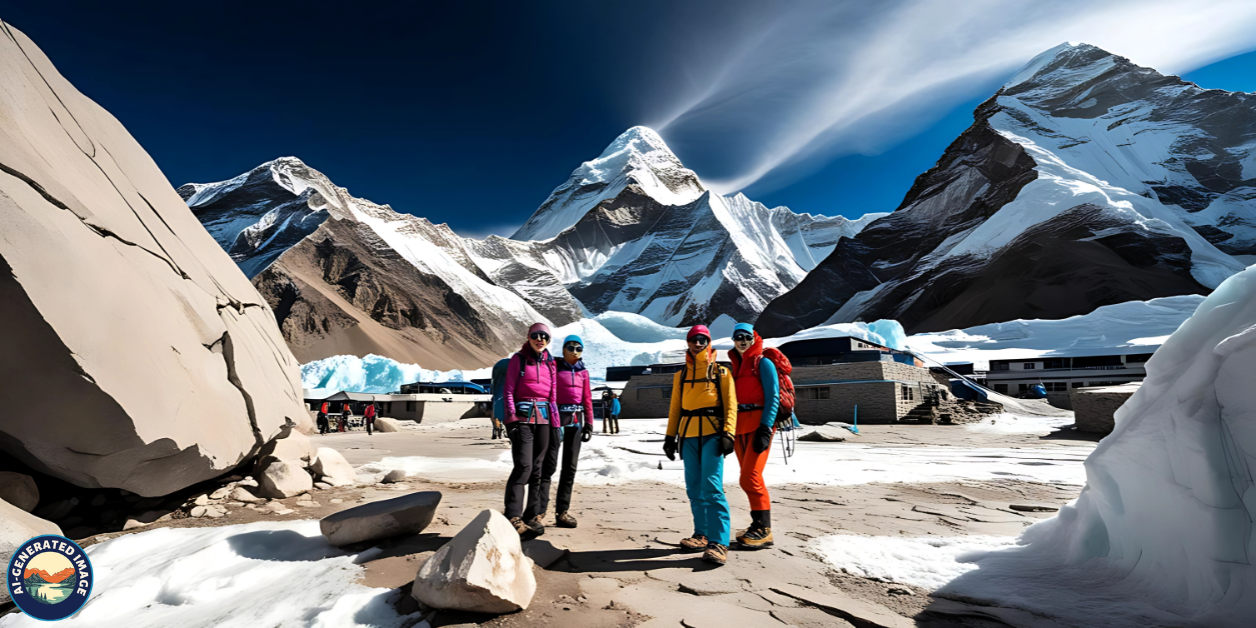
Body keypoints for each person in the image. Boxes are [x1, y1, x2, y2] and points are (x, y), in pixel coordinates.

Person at [663, 325, 738, 566]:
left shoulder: (721, 372)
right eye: (694, 339)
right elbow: (676, 408)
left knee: (712, 487)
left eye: (703, 339)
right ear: (688, 342)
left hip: (713, 434)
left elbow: (731, 404)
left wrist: (729, 433)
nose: (698, 343)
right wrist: (669, 437)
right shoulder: (681, 375)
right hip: (688, 436)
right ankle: (702, 534)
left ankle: (719, 542)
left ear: (709, 342)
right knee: (694, 488)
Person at [503, 322, 559, 537]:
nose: (540, 340)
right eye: (536, 335)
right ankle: (513, 515)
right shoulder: (518, 359)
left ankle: (530, 516)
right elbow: (509, 390)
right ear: (529, 337)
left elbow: (552, 397)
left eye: (544, 336)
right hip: (523, 420)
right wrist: (512, 421)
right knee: (523, 466)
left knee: (538, 468)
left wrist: (555, 425)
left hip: (544, 419)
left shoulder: (550, 364)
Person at [727, 323, 779, 550]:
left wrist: (766, 428)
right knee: (747, 477)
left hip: (758, 427)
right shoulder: (734, 367)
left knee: (750, 476)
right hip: (739, 428)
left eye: (746, 336)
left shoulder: (763, 363)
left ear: (754, 338)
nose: (742, 340)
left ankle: (764, 529)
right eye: (738, 337)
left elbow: (773, 396)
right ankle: (757, 526)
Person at [539, 335, 595, 528]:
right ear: (563, 349)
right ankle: (539, 510)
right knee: (550, 465)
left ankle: (562, 511)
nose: (574, 351)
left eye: (579, 348)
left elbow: (587, 397)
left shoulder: (584, 373)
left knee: (570, 468)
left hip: (576, 420)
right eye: (570, 347)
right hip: (557, 419)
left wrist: (589, 422)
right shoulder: (554, 367)